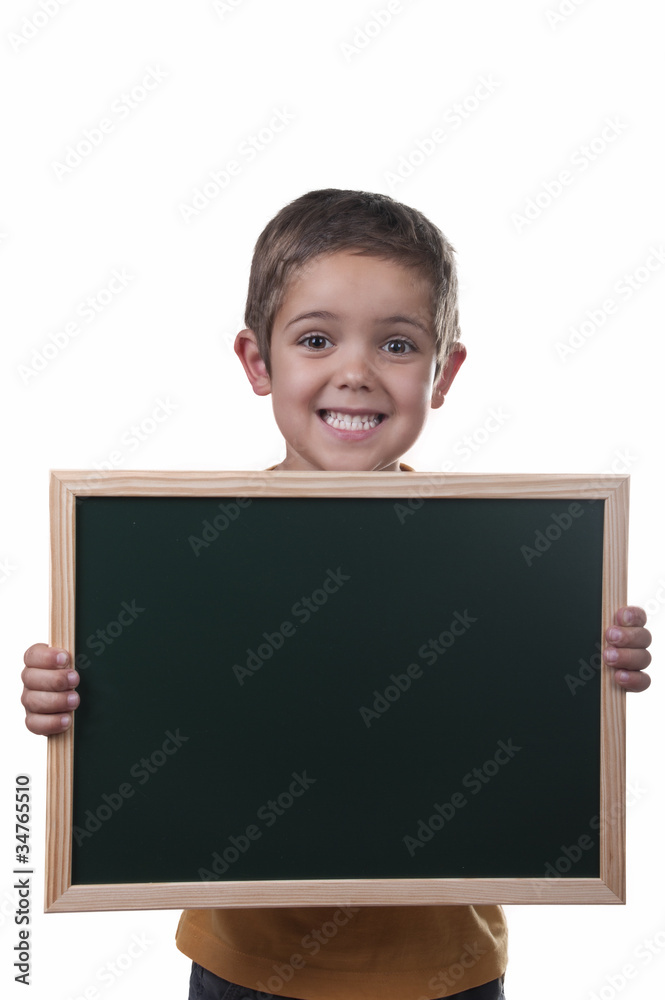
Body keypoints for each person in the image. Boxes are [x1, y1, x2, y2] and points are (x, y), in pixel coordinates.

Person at [21, 189, 652, 1000]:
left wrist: (596, 666)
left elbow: (529, 712)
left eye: (396, 344)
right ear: (258, 361)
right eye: (316, 339)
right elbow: (154, 713)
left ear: (443, 371)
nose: (353, 373)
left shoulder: (503, 562)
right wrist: (73, 701)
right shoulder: (189, 557)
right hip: (244, 970)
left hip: (446, 971)